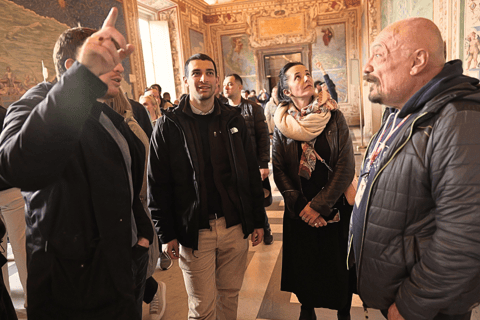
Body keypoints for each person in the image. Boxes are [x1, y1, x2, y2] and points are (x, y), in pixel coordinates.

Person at [0, 9, 154, 319]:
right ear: (74, 68)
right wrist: (81, 83)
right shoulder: (32, 103)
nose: (119, 70)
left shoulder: (108, 114)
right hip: (71, 292)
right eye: (105, 62)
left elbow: (126, 184)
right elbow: (18, 166)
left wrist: (141, 243)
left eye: (118, 61)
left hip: (120, 280)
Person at [349, 17, 480, 320]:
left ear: (417, 61)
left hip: (425, 309)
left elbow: (465, 238)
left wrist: (410, 306)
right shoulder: (400, 112)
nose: (367, 67)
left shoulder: (458, 119)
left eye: (378, 54)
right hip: (396, 292)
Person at [148, 53, 265, 320]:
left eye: (210, 73)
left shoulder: (233, 119)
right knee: (202, 308)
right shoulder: (169, 125)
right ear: (185, 80)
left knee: (229, 298)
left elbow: (248, 173)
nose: (204, 79)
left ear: (216, 79)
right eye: (197, 73)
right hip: (194, 231)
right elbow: (157, 185)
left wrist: (258, 220)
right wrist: (165, 234)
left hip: (234, 227)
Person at [272, 62, 355, 320]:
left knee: (338, 268)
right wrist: (301, 206)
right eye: (297, 77)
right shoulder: (281, 123)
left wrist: (318, 206)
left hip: (333, 207)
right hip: (299, 211)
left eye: (307, 73)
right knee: (305, 268)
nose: (306, 78)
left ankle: (343, 312)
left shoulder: (333, 116)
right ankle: (307, 310)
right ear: (287, 92)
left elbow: (346, 164)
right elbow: (278, 170)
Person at [110, 91, 165, 320]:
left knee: (132, 283)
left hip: (134, 216)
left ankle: (153, 292)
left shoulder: (129, 129)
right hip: (125, 216)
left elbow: (144, 184)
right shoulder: (113, 128)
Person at [223, 73, 274, 244]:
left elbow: (263, 137)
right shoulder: (221, 110)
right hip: (232, 165)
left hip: (251, 163)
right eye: (224, 85)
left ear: (239, 87)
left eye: (230, 84)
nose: (226, 87)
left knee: (256, 197)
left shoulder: (253, 108)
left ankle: (265, 230)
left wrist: (263, 163)